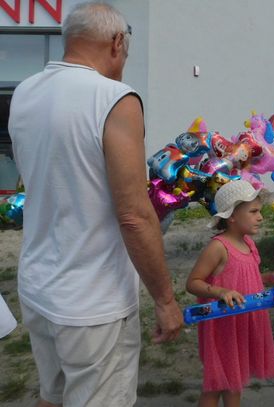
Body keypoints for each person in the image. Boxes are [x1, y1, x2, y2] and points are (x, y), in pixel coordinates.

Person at [8, 3, 183, 406]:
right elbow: (134, 215)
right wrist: (165, 300)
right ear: (117, 42)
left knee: (52, 396)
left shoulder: (25, 92)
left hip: (38, 287)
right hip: (93, 305)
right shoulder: (115, 98)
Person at [186, 180, 274, 407]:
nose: (260, 217)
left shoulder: (249, 244)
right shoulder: (218, 247)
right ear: (231, 216)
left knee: (235, 381)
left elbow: (246, 279)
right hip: (223, 326)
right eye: (253, 211)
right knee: (216, 385)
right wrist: (220, 291)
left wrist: (268, 278)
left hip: (243, 324)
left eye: (259, 211)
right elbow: (193, 283)